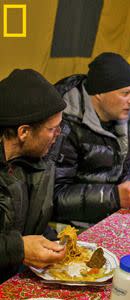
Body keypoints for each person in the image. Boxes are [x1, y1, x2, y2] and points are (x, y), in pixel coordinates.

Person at [53, 53, 130, 225]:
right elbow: (56, 196)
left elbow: (125, 166)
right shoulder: (65, 126)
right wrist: (113, 196)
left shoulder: (117, 114)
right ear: (99, 94)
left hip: (107, 214)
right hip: (72, 225)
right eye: (126, 93)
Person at [0, 69, 67, 282]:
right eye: (52, 129)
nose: (58, 136)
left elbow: (32, 226)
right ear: (24, 132)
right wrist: (19, 248)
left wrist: (51, 245)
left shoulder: (34, 160)